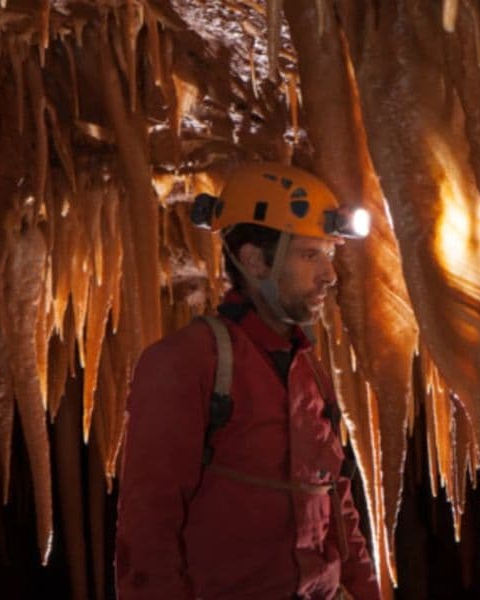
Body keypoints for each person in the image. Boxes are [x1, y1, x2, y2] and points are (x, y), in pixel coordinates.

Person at [115, 162, 380, 600]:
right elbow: (148, 530)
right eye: (310, 255)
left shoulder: (309, 368)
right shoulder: (187, 362)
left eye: (329, 255)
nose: (329, 276)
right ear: (256, 260)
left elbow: (339, 507)